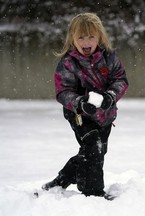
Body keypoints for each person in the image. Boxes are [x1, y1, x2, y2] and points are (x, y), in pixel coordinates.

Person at [42, 12, 128, 200]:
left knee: (95, 153)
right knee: (94, 147)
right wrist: (79, 103)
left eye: (91, 36)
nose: (86, 41)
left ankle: (61, 181)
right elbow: (63, 92)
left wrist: (110, 96)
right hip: (80, 116)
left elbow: (120, 79)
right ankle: (94, 193)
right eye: (81, 37)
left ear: (100, 37)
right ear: (73, 38)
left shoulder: (109, 57)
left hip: (105, 115)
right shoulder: (68, 63)